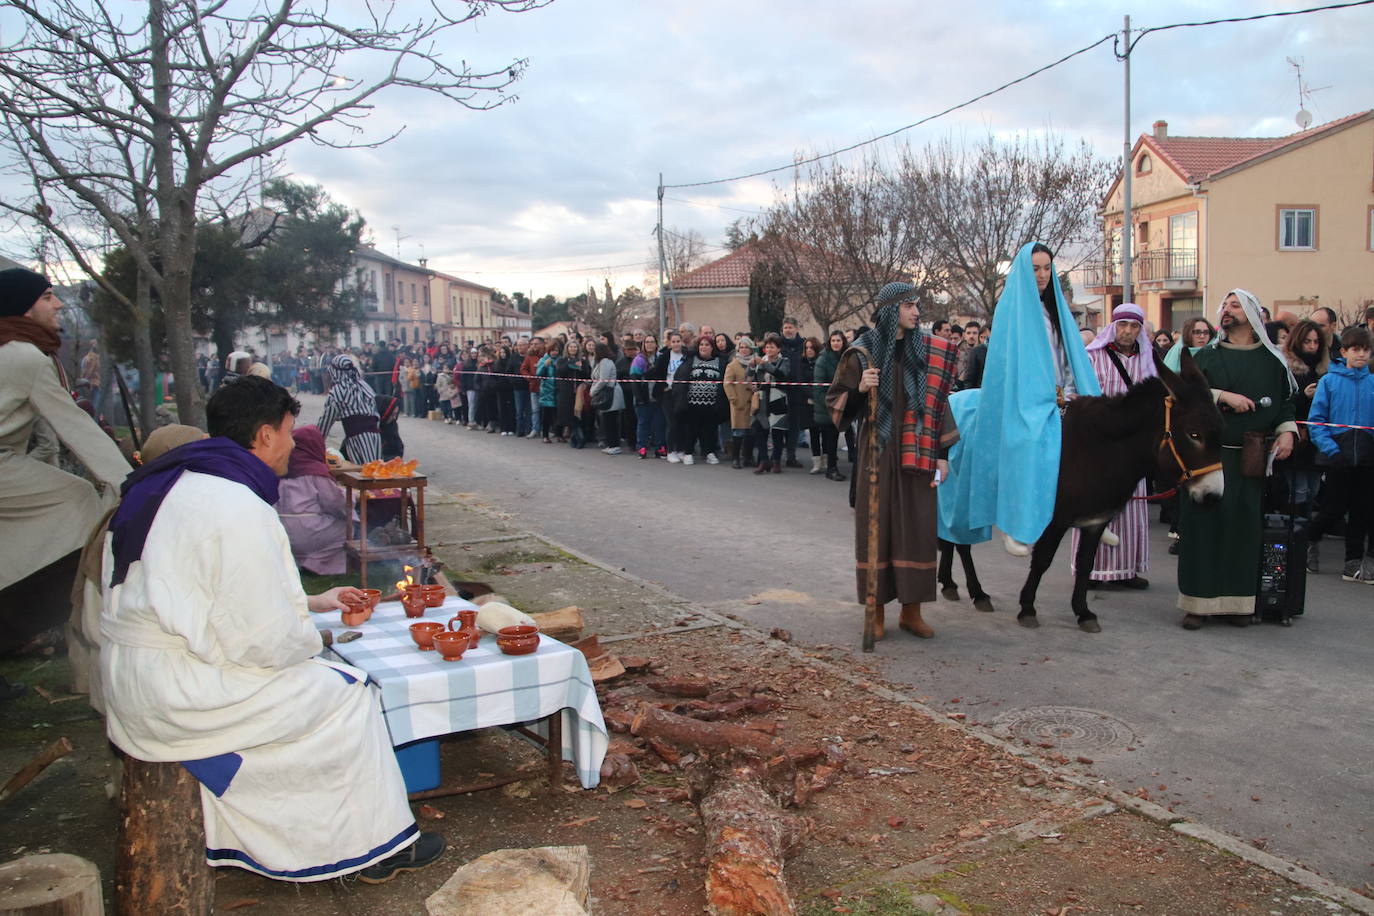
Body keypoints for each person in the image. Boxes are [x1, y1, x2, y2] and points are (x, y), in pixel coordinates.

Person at [100, 376, 444, 883]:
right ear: (264, 435)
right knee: (349, 692)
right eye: (287, 431)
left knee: (321, 677)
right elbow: (263, 641)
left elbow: (197, 593)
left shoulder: (174, 482)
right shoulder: (235, 504)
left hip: (132, 677)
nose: (292, 443)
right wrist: (316, 638)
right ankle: (367, 846)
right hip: (178, 694)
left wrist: (306, 603)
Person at [0, 269, 131, 689]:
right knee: (80, 501)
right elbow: (76, 426)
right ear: (23, 306)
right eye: (48, 296)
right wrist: (129, 484)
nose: (57, 304)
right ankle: (57, 610)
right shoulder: (25, 355)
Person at [826, 281, 960, 638]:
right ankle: (876, 611)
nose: (917, 312)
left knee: (917, 526)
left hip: (918, 446)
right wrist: (860, 389)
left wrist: (943, 455)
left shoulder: (926, 350)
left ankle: (911, 612)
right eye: (909, 305)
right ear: (889, 310)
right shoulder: (862, 352)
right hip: (878, 450)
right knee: (877, 527)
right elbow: (837, 406)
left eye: (917, 305)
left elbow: (937, 404)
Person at [949, 243, 1101, 557]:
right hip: (1023, 401)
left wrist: (1073, 391)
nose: (1043, 275)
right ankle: (1014, 524)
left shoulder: (1057, 310)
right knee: (1029, 443)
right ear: (1023, 271)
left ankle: (1090, 513)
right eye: (1035, 269)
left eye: (1047, 268)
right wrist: (1036, 398)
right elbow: (1008, 365)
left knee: (1095, 437)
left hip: (1060, 397)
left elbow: (1068, 356)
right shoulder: (1009, 309)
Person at [1177, 289, 1298, 629]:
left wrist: (1287, 432)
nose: (1226, 310)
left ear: (1251, 313)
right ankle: (1197, 604)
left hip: (1250, 456)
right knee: (1203, 527)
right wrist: (1221, 396)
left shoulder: (1273, 362)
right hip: (1208, 458)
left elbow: (1285, 404)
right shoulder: (1205, 357)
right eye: (1225, 305)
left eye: (1234, 305)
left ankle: (1237, 604)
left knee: (1242, 528)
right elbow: (1184, 395)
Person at [1069, 304, 1155, 589]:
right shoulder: (1092, 356)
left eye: (1133, 326)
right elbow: (1078, 394)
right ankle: (1090, 571)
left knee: (1130, 508)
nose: (1127, 331)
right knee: (1094, 505)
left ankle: (1126, 569)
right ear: (1113, 327)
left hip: (1133, 445)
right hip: (1101, 444)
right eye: (1122, 325)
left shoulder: (1149, 360)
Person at [1305, 325, 1374, 582]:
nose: (1361, 355)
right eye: (1356, 349)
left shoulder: (1372, 382)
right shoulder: (1329, 382)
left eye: (1366, 350)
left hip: (1367, 457)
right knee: (1333, 509)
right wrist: (1331, 450)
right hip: (1338, 455)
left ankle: (1352, 561)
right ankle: (1310, 538)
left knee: (1362, 510)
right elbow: (1317, 421)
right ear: (1343, 351)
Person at [276, 424, 348, 576]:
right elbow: (335, 503)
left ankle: (299, 561)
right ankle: (316, 563)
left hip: (281, 530)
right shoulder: (315, 471)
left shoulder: (280, 467)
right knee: (349, 527)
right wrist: (350, 501)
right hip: (310, 530)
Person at [671, 334, 727, 465]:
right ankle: (688, 453)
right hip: (692, 403)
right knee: (692, 429)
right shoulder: (691, 361)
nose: (704, 347)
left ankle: (709, 452)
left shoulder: (720, 362)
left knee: (710, 429)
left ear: (712, 347)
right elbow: (680, 379)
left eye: (707, 345)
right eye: (701, 344)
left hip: (712, 404)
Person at [317, 354, 382, 464]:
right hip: (375, 436)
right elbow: (375, 412)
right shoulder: (364, 386)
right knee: (374, 469)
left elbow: (326, 421)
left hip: (358, 439)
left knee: (366, 472)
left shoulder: (337, 391)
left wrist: (315, 441)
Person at [750, 333, 791, 474]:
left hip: (777, 399)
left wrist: (765, 365)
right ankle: (763, 460)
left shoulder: (784, 361)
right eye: (767, 347)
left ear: (779, 349)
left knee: (777, 433)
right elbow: (754, 378)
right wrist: (751, 368)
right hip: (762, 400)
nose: (769, 350)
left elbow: (782, 375)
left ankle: (776, 461)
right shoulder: (761, 361)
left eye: (772, 347)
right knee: (760, 430)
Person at [811, 331, 848, 481]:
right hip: (827, 407)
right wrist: (831, 404)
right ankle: (831, 469)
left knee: (833, 438)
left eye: (838, 340)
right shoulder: (823, 359)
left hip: (841, 404)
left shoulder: (846, 356)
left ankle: (832, 467)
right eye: (833, 340)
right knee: (830, 439)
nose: (836, 343)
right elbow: (818, 387)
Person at [779, 316, 805, 468]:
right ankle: (777, 456)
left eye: (790, 327)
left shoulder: (803, 345)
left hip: (797, 390)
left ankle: (791, 455)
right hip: (780, 390)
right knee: (779, 423)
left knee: (794, 424)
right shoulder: (778, 345)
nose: (788, 330)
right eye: (785, 328)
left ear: (796, 328)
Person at [590, 341, 624, 455]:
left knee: (611, 421)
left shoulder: (605, 362)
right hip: (608, 393)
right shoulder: (601, 362)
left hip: (611, 393)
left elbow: (603, 380)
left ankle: (614, 445)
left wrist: (593, 391)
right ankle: (611, 444)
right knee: (608, 420)